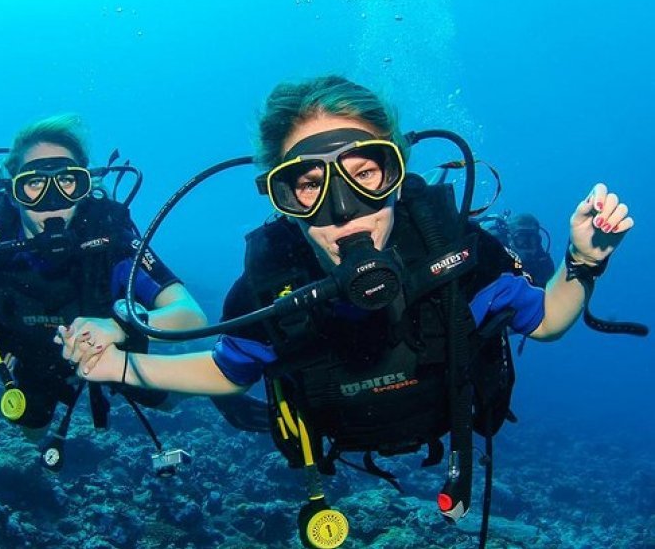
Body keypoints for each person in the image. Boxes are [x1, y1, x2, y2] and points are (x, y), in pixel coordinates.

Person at [60, 76, 635, 546]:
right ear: (281, 199)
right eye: (308, 185)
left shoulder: (459, 253)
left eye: (364, 173)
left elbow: (548, 320)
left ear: (397, 173)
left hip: (449, 423)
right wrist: (119, 368)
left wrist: (582, 262)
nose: (342, 211)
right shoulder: (269, 286)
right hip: (335, 444)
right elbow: (228, 369)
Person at [0, 114, 266, 466]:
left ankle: (211, 392)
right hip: (31, 356)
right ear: (13, 192)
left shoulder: (113, 246)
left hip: (112, 351)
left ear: (85, 185)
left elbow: (189, 315)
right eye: (34, 184)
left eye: (67, 181)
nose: (53, 201)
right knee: (29, 430)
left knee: (165, 400)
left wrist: (118, 327)